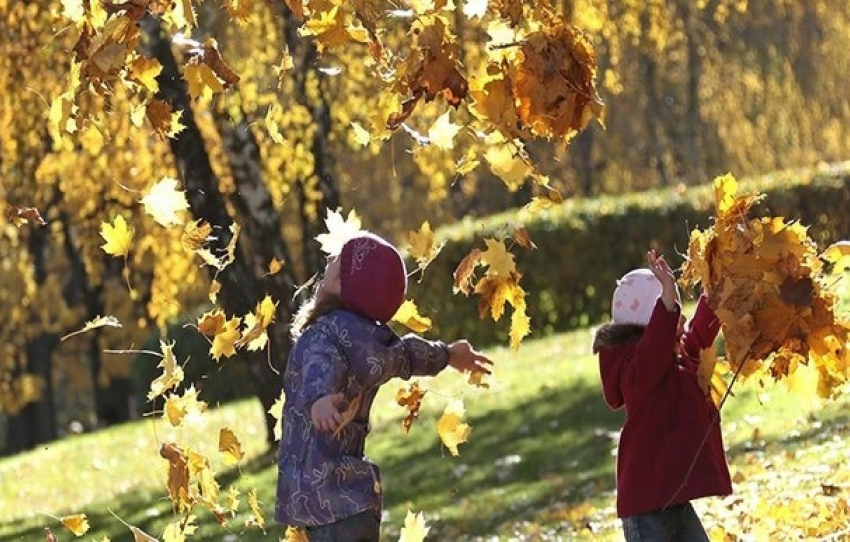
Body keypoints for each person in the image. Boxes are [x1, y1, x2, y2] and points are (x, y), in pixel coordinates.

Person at [275, 231, 494, 541]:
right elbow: (410, 354)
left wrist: (319, 399)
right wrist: (448, 354)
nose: (329, 261)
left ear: (340, 284)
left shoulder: (322, 337)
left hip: (322, 499)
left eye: (336, 261)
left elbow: (318, 366)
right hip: (356, 497)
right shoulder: (376, 344)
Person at [593, 249, 732, 541]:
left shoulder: (672, 357)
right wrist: (666, 296)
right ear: (651, 324)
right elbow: (653, 351)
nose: (679, 321)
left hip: (673, 499)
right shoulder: (637, 371)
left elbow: (697, 338)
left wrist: (715, 296)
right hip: (646, 507)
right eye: (672, 314)